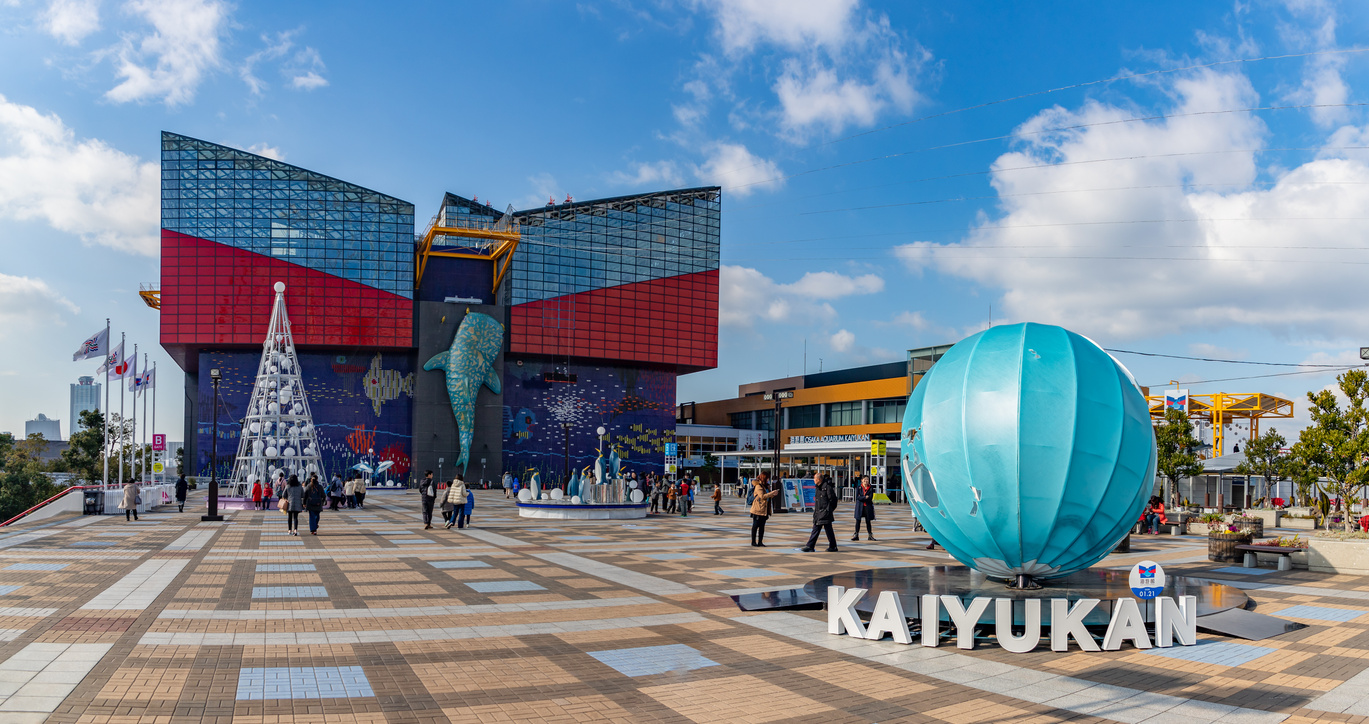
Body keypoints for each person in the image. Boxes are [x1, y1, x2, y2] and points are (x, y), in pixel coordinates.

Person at [801, 472, 839, 552]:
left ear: (819, 479)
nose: (814, 480)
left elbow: (833, 500)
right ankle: (832, 546)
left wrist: (829, 510)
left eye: (815, 478)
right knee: (826, 530)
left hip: (825, 513)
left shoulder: (827, 487)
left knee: (819, 529)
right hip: (819, 512)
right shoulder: (818, 487)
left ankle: (811, 546)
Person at [749, 472, 779, 547]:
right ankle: (753, 542)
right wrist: (771, 493)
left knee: (762, 526)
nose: (768, 480)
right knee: (755, 526)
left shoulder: (766, 486)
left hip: (765, 509)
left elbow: (767, 496)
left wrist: (773, 494)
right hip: (758, 509)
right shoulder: (758, 486)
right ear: (764, 478)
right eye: (767, 478)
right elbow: (762, 496)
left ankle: (760, 542)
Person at [852, 475, 877, 541]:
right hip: (860, 506)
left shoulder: (871, 488)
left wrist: (862, 497)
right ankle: (856, 535)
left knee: (868, 521)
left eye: (867, 479)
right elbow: (857, 497)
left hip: (867, 506)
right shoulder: (859, 487)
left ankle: (870, 535)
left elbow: (870, 497)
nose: (866, 481)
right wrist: (865, 497)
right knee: (858, 521)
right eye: (865, 479)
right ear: (862, 480)